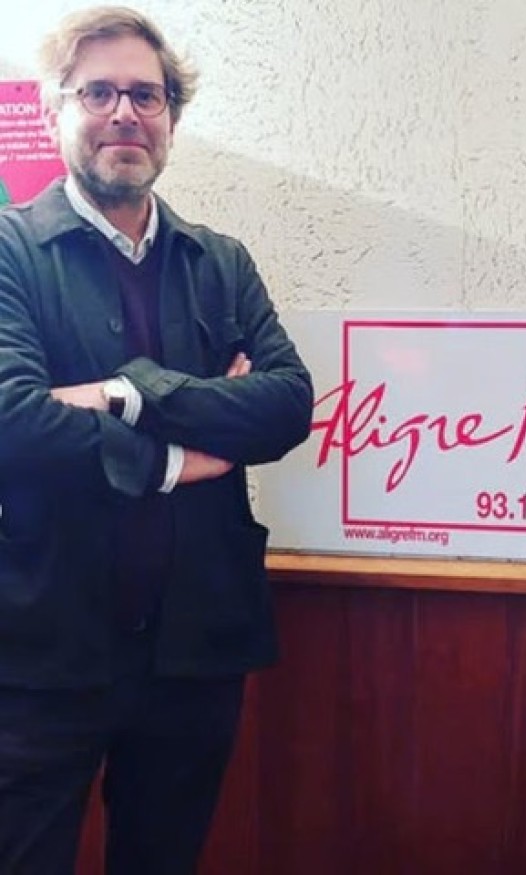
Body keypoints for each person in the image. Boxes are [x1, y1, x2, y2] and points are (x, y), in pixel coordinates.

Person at [0, 6, 313, 874]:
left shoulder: (222, 262)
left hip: (193, 650)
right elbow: (12, 421)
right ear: (55, 111)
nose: (124, 114)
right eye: (97, 93)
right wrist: (178, 457)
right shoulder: (10, 253)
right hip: (41, 650)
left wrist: (124, 393)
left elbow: (286, 405)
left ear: (171, 116)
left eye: (146, 95)